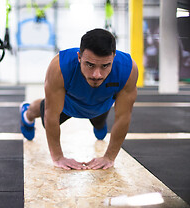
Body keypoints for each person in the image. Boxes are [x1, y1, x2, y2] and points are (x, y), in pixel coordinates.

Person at [20, 28, 138, 170]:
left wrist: (109, 157)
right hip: (67, 104)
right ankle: (26, 113)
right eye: (90, 65)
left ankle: (99, 124)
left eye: (105, 66)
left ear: (113, 57)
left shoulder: (128, 68)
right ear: (79, 57)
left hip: (101, 106)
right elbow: (51, 114)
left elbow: (123, 117)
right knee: (44, 112)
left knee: (100, 129)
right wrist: (58, 157)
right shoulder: (59, 66)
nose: (96, 74)